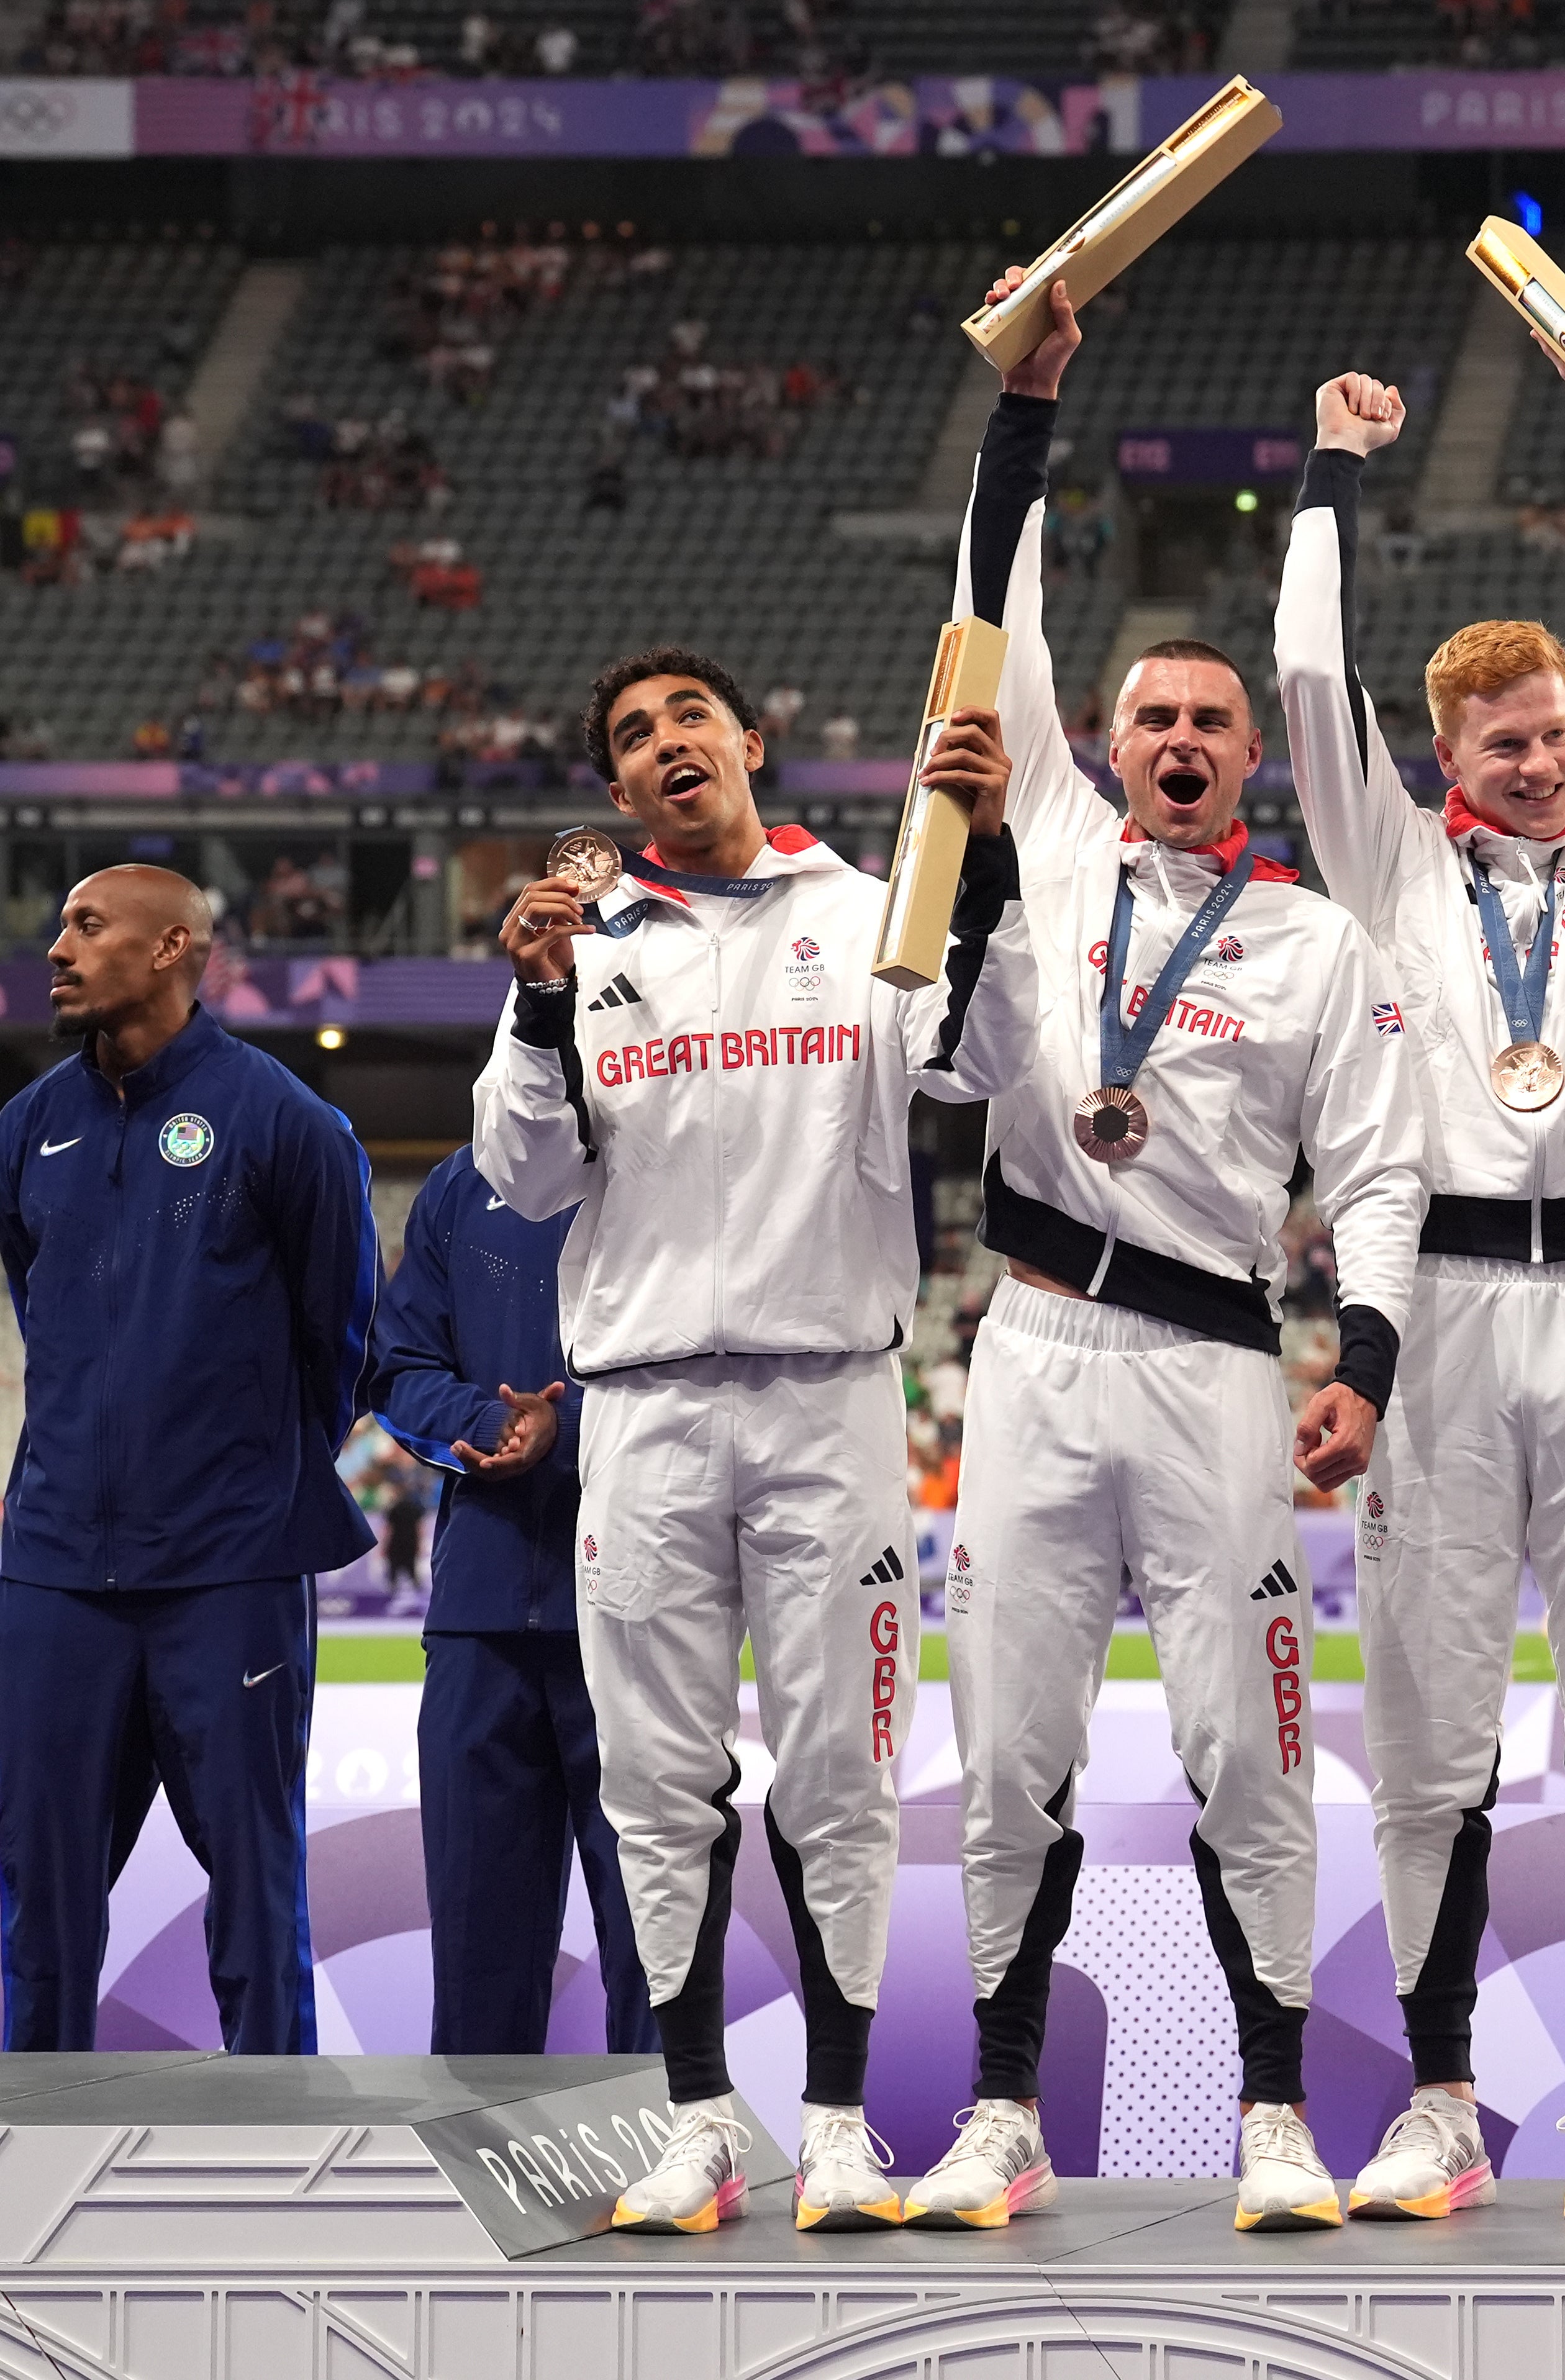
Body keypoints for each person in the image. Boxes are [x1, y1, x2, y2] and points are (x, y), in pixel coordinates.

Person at [900, 273, 1425, 2238]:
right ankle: (1002, 2108)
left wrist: (1358, 1358)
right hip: (1033, 1346)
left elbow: (1375, 1169)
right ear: (1106, 744)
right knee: (1006, 1752)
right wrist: (1027, 421)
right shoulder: (1042, 845)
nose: (1187, 738)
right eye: (1156, 717)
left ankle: (1277, 2111)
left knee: (1248, 1749)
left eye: (1215, 719)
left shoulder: (1310, 944)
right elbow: (994, 627)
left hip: (1219, 1368)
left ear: (1247, 754)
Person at [476, 645, 1025, 2233]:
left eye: (688, 718)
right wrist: (529, 997)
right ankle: (698, 2120)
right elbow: (519, 1179)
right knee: (657, 1782)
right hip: (640, 1408)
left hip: (825, 1400)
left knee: (843, 1777)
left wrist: (977, 873)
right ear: (618, 789)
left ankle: (843, 2125)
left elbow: (975, 1064)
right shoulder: (585, 948)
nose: (664, 745)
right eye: (633, 737)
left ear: (752, 742)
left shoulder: (861, 912)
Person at [1274, 304, 1565, 2225]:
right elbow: (1304, 677)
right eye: (1505, 741)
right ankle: (1444, 2092)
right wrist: (1329, 473)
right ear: (1442, 750)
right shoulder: (1386, 869)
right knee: (1428, 1736)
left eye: (1556, 733)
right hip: (1440, 1314)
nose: (1543, 762)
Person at [0, 867, 377, 2054]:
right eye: (61, 924)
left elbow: (341, 1340)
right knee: (36, 1896)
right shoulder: (25, 1127)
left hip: (229, 1573)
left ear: (173, 949)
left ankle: (274, 2160)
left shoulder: (284, 1121)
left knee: (256, 1894)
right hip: (58, 1573)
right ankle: (27, 2155)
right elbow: (42, 1307)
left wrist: (239, 1488)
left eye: (87, 925)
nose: (57, 947)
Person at [363, 1143, 655, 2056]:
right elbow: (399, 1366)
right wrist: (491, 1423)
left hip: (644, 1615)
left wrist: (565, 1432)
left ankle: (676, 2169)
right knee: (479, 1970)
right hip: (480, 1620)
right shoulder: (463, 1182)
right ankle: (479, 2185)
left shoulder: (675, 1155)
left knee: (659, 1960)